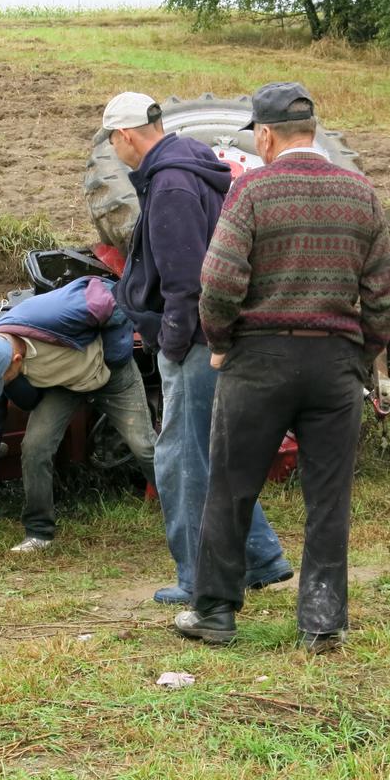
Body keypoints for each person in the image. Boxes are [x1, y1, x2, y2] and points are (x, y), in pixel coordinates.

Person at [174, 82, 390, 653]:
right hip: (334, 365)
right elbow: (385, 292)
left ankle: (216, 614)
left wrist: (222, 340)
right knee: (328, 497)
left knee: (230, 487)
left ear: (266, 134)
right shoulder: (361, 193)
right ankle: (322, 623)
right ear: (315, 131)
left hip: (259, 359)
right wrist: (362, 353)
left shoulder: (251, 190)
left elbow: (219, 280)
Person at [103, 91, 292, 606]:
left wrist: (173, 341)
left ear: (124, 136)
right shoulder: (193, 164)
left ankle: (196, 578)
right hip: (219, 334)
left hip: (194, 340)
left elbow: (187, 280)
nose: (114, 152)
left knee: (182, 462)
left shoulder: (169, 186)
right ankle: (260, 559)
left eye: (113, 142)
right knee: (213, 455)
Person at [0, 276, 156, 553]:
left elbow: (113, 298)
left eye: (3, 380)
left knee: (144, 446)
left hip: (112, 375)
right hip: (64, 386)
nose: (0, 387)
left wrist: (114, 358)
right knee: (35, 447)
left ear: (16, 361)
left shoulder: (56, 314)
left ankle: (187, 511)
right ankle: (39, 533)